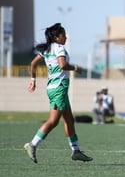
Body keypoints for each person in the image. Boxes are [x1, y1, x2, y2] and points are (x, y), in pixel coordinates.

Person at [24, 23, 93, 163]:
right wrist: (76, 68)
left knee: (69, 120)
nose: (65, 37)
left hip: (55, 88)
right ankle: (32, 144)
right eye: (63, 35)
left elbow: (33, 64)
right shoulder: (59, 47)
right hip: (59, 89)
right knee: (53, 121)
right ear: (56, 37)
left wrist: (33, 80)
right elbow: (62, 65)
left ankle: (76, 151)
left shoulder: (47, 48)